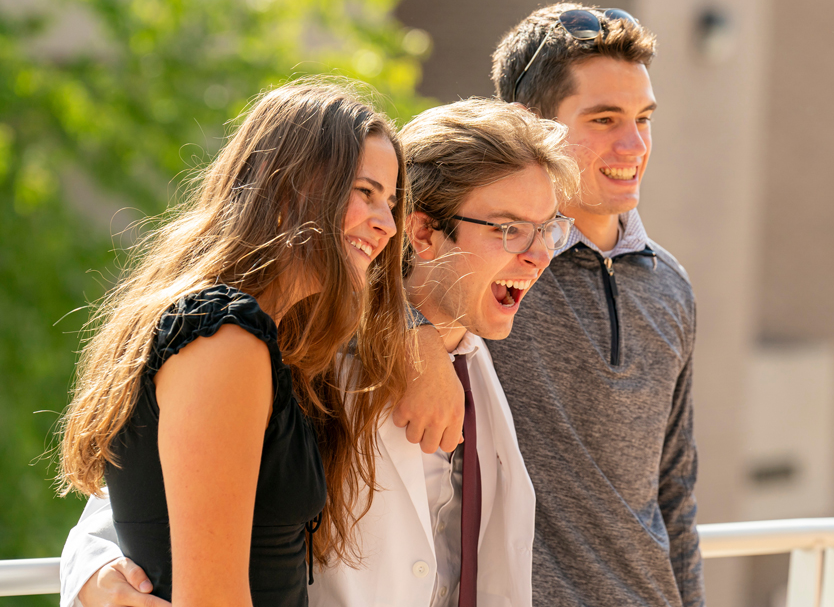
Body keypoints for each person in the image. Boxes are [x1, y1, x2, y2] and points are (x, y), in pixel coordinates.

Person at [60, 98, 580, 607]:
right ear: (424, 232)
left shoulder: (491, 353)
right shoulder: (294, 343)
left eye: (549, 230)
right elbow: (142, 500)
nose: (539, 256)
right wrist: (93, 570)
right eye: (510, 229)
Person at [57, 78, 410, 607]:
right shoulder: (224, 335)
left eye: (391, 201)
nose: (385, 224)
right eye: (365, 192)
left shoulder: (261, 339)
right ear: (292, 188)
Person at [482, 3, 705, 607]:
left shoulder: (670, 286)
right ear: (530, 127)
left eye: (643, 118)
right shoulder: (481, 268)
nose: (632, 144)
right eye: (604, 118)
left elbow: (674, 489)